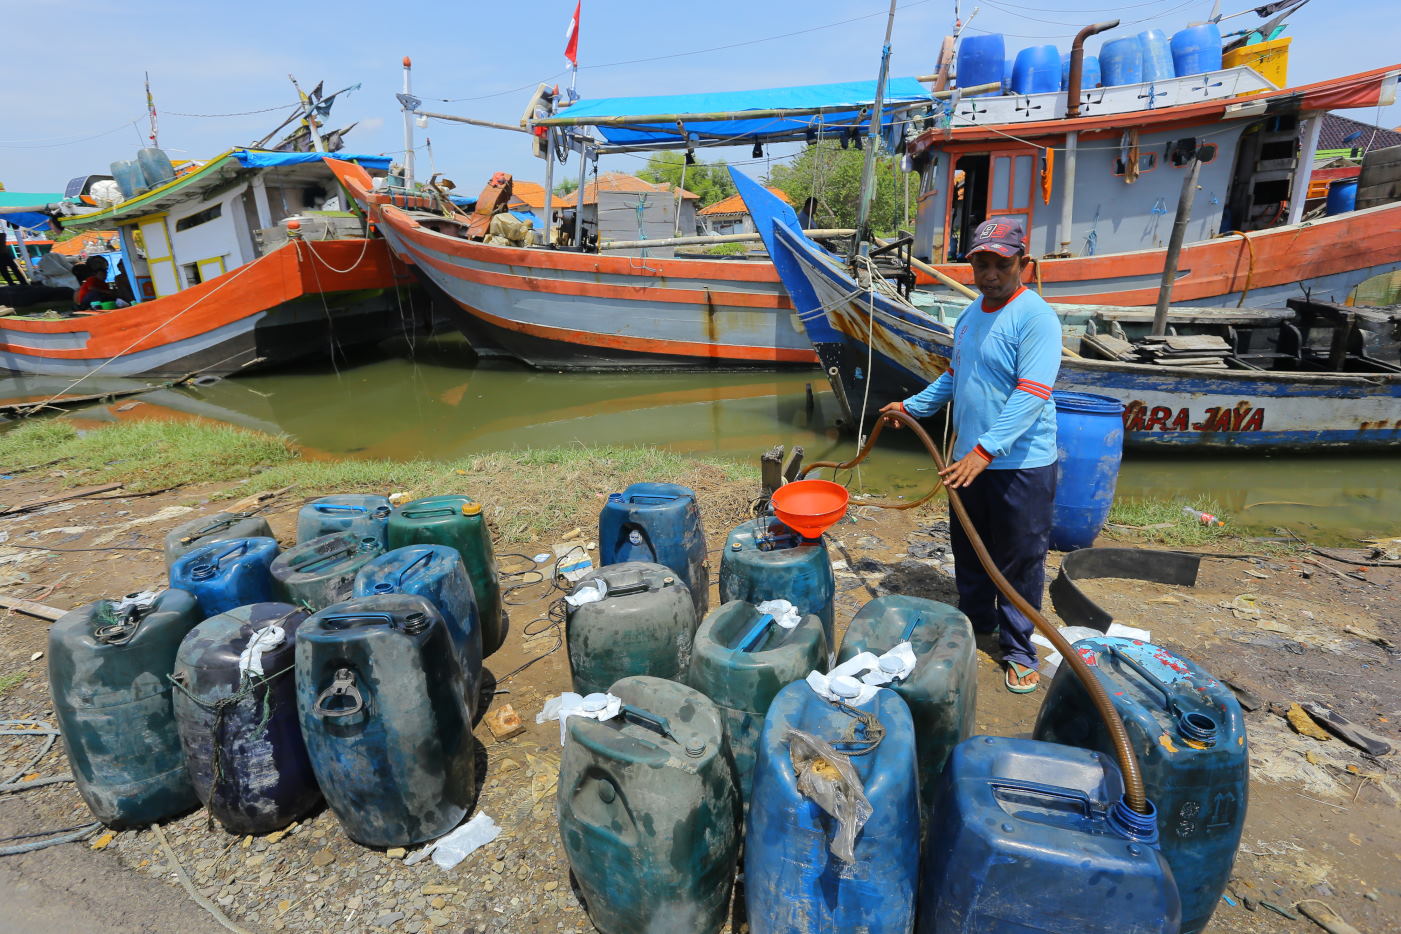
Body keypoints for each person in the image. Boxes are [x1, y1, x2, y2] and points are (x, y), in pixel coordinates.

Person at [879, 218, 1060, 693]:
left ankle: (1020, 649)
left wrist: (984, 450)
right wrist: (912, 407)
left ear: (1024, 263)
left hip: (1019, 465)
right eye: (981, 263)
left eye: (1001, 263)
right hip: (969, 460)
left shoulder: (1036, 317)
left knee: (1020, 560)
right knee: (969, 551)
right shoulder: (970, 315)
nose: (990, 273)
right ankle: (976, 623)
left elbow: (1032, 393)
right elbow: (955, 377)